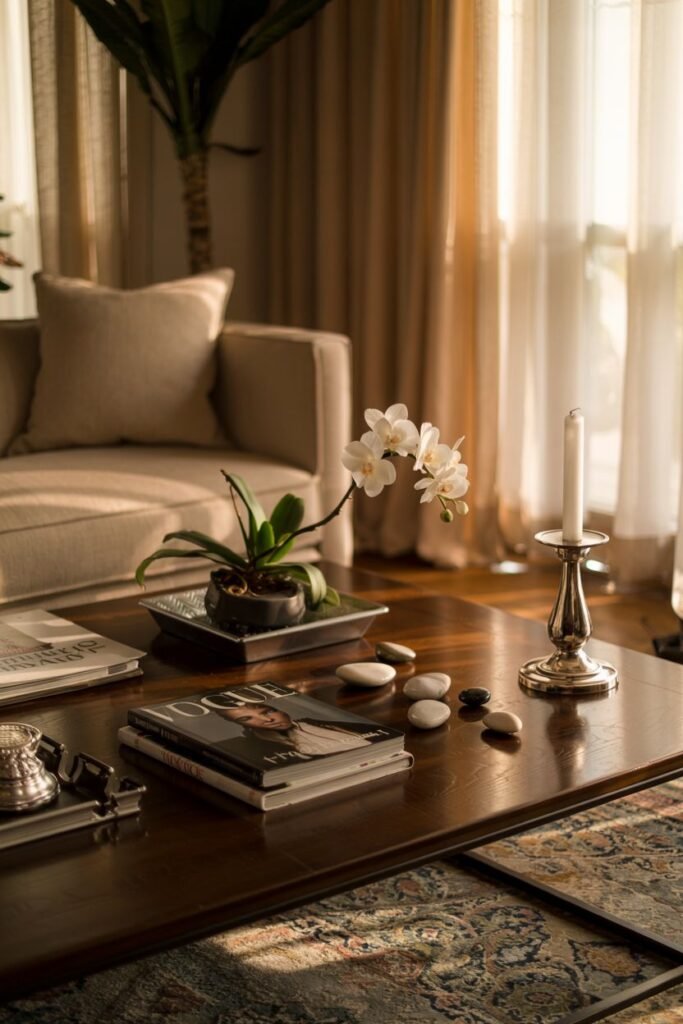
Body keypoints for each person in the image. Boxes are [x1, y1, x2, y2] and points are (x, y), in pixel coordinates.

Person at [214, 703, 381, 758]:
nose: (268, 720)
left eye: (268, 711)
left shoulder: (334, 724)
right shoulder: (253, 751)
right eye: (246, 718)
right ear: (240, 725)